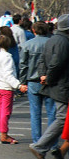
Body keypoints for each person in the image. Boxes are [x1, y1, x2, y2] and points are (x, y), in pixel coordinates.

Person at [29, 14, 69, 159]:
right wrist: (49, 78)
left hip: (56, 83)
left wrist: (43, 75)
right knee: (62, 118)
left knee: (60, 117)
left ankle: (45, 147)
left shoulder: (52, 40)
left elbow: (42, 60)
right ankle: (40, 146)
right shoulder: (64, 42)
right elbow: (56, 63)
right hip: (61, 85)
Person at [19, 21, 56, 143]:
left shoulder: (27, 45)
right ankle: (52, 142)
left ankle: (37, 141)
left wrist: (22, 82)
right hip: (50, 81)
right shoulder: (52, 44)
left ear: (33, 31)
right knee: (52, 113)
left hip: (32, 81)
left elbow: (23, 65)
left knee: (35, 114)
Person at [0, 35, 28, 144]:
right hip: (6, 87)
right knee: (6, 112)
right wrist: (19, 85)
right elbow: (8, 75)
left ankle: (3, 132)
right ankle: (4, 134)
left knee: (1, 111)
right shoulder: (6, 57)